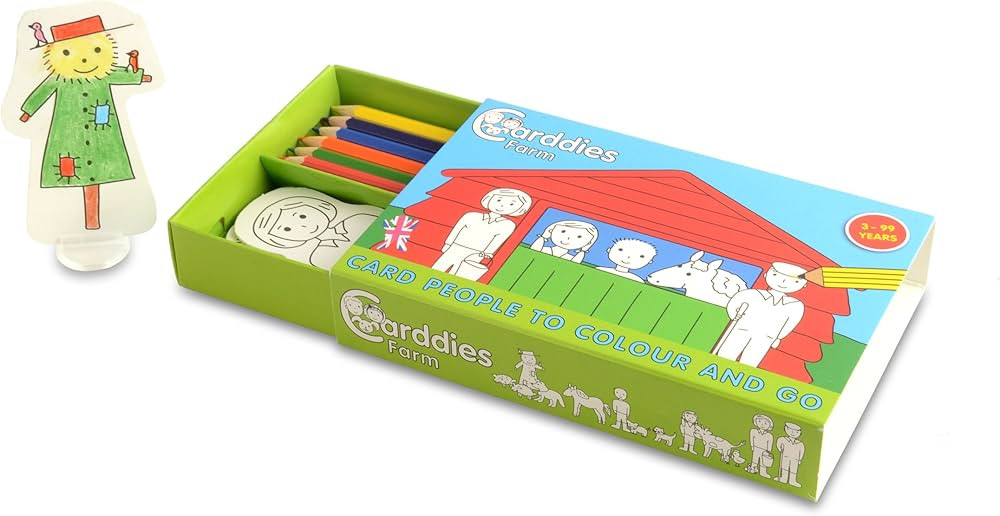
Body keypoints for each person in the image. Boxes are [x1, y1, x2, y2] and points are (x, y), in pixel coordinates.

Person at [714, 262, 807, 367]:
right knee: (727, 353)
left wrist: (778, 337)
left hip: (766, 337)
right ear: (766, 275)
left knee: (751, 361)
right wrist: (734, 315)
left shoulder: (795, 305)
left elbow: (790, 323)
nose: (783, 282)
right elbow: (734, 303)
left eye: (795, 281)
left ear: (804, 285)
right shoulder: (752, 294)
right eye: (775, 275)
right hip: (742, 329)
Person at [432, 188, 532, 277]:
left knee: (458, 274)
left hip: (476, 253)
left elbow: (498, 240)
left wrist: (488, 252)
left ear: (520, 208)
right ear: (489, 199)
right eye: (498, 200)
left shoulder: (508, 225)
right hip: (456, 247)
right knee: (439, 267)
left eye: (511, 204)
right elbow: (457, 229)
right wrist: (448, 243)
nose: (502, 205)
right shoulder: (471, 216)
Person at [529, 220, 599, 263]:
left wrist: (583, 250)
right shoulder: (545, 249)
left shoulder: (569, 258)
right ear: (551, 230)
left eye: (579, 236)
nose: (568, 238)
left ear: (588, 243)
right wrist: (543, 237)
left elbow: (575, 264)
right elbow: (533, 250)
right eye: (563, 231)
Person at [776, 422, 805, 488]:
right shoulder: (783, 439)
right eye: (791, 431)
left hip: (795, 459)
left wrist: (799, 459)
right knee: (784, 467)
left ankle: (792, 481)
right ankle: (783, 478)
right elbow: (778, 444)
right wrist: (780, 449)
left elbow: (801, 452)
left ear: (799, 433)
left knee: (793, 470)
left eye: (796, 432)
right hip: (785, 457)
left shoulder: (800, 444)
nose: (793, 433)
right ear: (786, 429)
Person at [746, 414, 774, 478]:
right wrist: (752, 446)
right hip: (756, 448)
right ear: (756, 422)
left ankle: (763, 472)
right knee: (754, 460)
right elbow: (751, 439)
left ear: (769, 425)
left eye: (765, 423)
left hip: (764, 451)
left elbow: (770, 444)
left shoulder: (769, 435)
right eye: (759, 421)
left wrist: (768, 452)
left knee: (763, 462)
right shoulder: (753, 431)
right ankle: (753, 469)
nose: (762, 424)